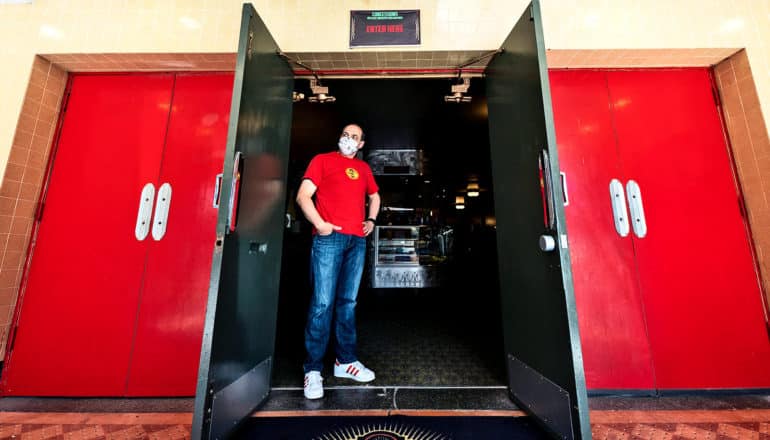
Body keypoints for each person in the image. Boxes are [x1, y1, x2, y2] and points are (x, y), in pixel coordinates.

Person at [296, 123, 381, 399]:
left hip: (356, 241)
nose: (349, 139)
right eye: (345, 134)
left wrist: (371, 220)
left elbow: (375, 196)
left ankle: (345, 362)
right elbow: (303, 196)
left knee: (348, 303)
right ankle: (312, 371)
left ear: (361, 145)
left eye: (355, 137)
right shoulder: (322, 161)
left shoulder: (365, 170)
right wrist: (321, 224)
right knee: (322, 302)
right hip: (329, 239)